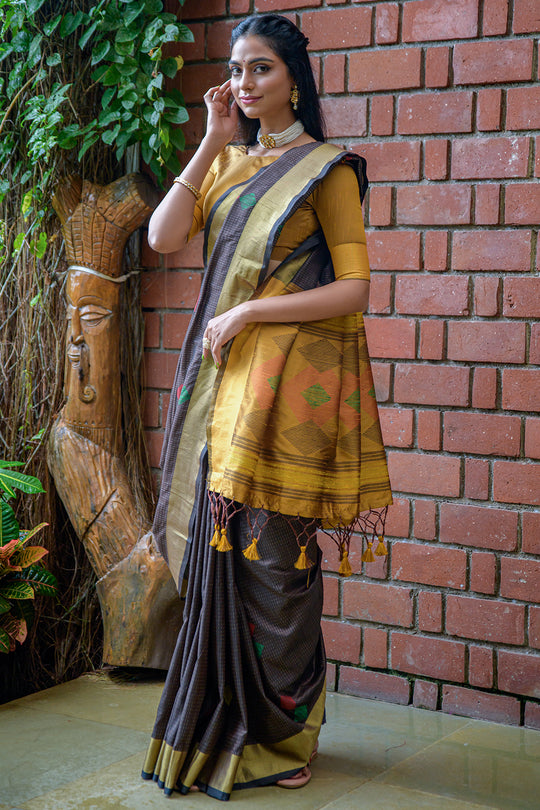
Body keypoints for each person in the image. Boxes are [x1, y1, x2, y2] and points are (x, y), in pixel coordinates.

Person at [141, 13, 392, 801]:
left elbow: (353, 290)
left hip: (288, 394)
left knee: (277, 565)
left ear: (294, 79)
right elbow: (161, 236)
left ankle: (288, 731)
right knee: (222, 561)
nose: (246, 86)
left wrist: (250, 312)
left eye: (261, 71)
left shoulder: (328, 170)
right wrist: (213, 139)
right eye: (238, 71)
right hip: (220, 389)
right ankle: (227, 727)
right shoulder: (230, 161)